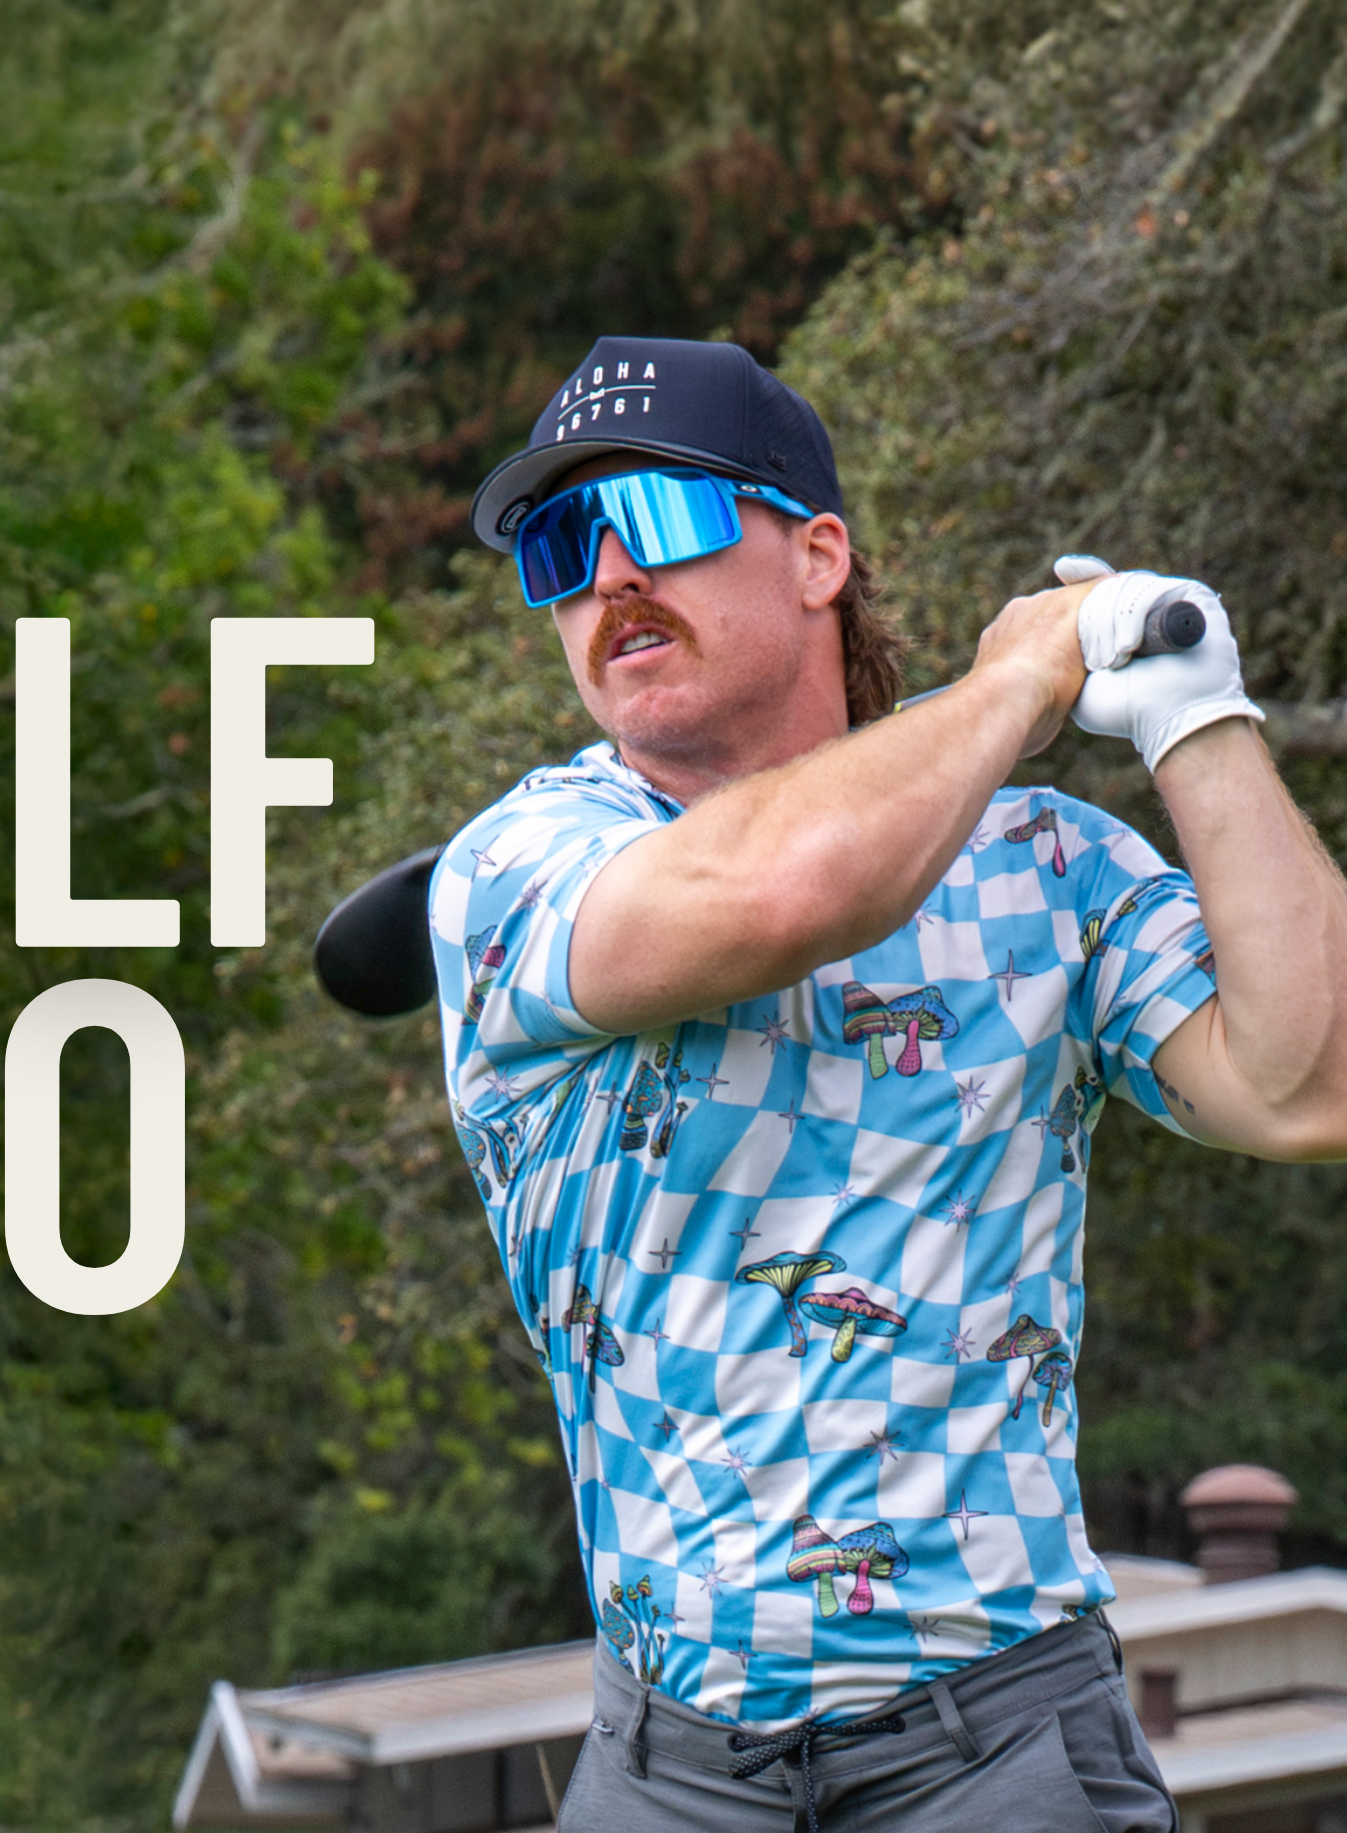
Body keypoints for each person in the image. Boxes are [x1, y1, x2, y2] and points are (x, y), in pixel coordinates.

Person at [429, 336, 1347, 1830]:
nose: (607, 576)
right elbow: (784, 893)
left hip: (1000, 1753)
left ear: (818, 557)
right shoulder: (522, 867)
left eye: (655, 516)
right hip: (669, 1772)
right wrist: (1017, 680)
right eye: (557, 547)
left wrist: (1198, 722)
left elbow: (1312, 1089)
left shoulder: (1045, 869)